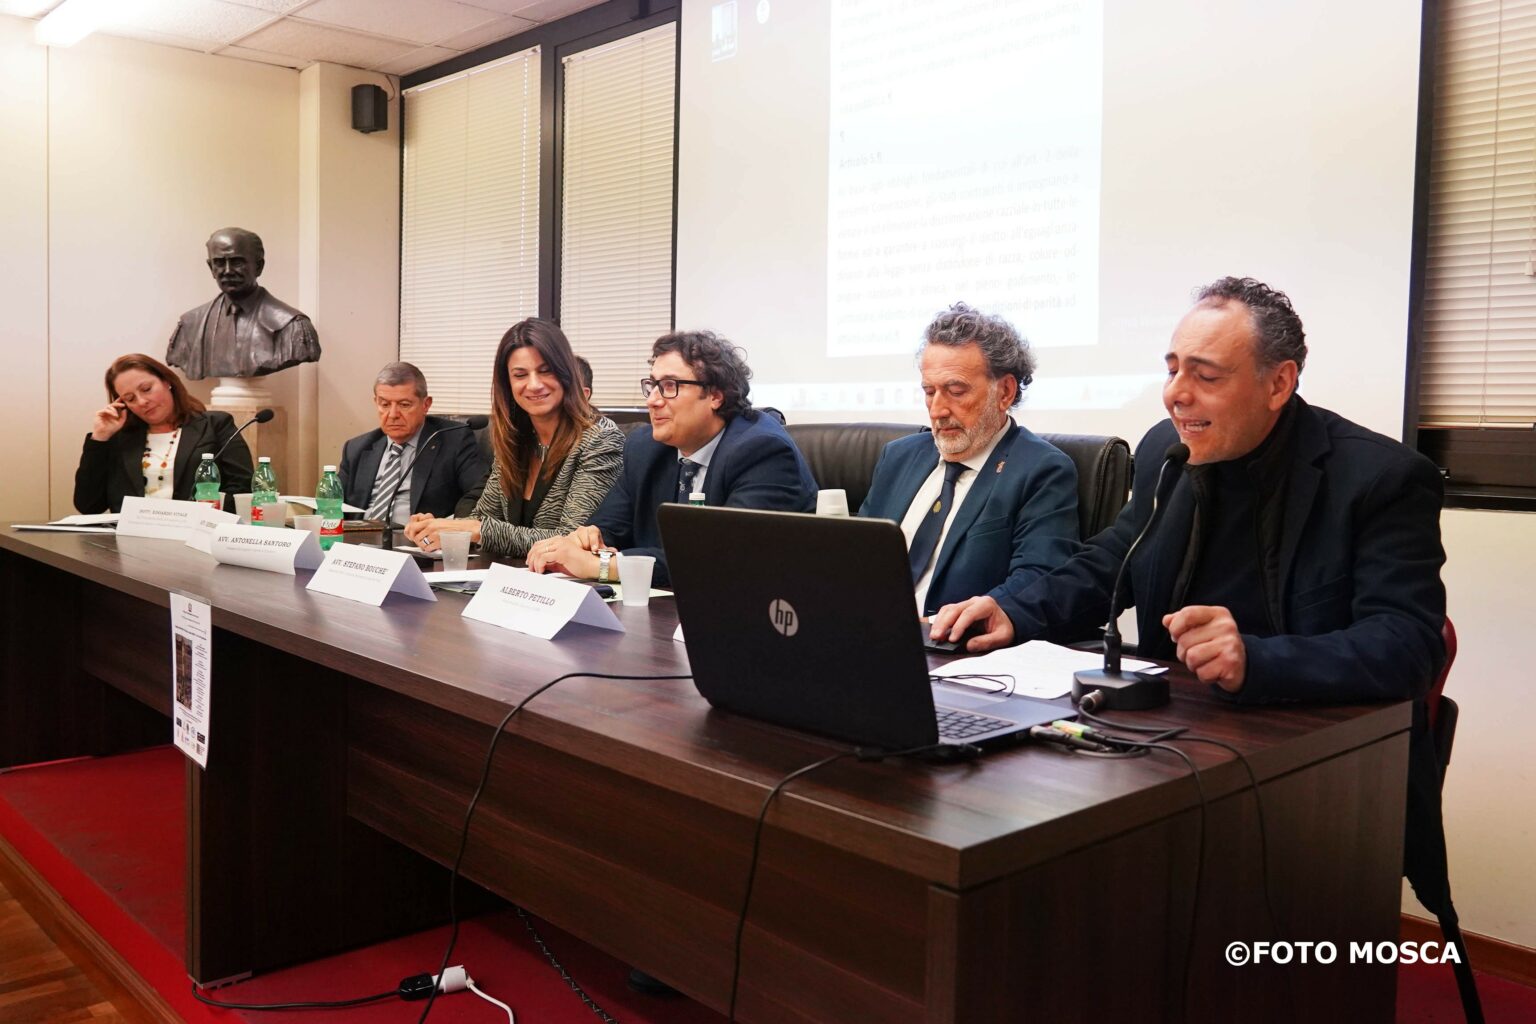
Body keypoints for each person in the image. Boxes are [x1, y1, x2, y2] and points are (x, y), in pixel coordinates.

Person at [929, 277, 1450, 908]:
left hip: (1314, 780)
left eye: (1205, 375)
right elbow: (1112, 560)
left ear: (1279, 383)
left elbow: (1408, 645)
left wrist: (1257, 659)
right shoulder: (1166, 449)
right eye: (1173, 368)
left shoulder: (1380, 479)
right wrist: (1015, 610)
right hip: (1164, 753)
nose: (1176, 393)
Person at [527, 330, 816, 585]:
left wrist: (600, 566)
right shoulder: (644, 448)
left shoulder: (762, 451)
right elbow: (608, 530)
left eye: (669, 386)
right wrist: (585, 540)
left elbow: (722, 558)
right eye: (652, 386)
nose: (652, 400)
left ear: (715, 395)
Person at [859, 302, 1080, 618]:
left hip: (948, 640)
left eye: (956, 391)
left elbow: (1038, 579)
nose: (938, 410)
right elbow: (858, 556)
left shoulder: (1040, 470)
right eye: (929, 392)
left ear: (1004, 392)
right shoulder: (898, 458)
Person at [404, 320, 625, 558]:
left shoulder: (600, 439)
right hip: (510, 575)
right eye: (520, 375)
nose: (534, 384)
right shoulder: (516, 437)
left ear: (566, 373)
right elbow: (483, 518)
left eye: (545, 371)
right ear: (507, 384)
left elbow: (570, 540)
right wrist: (437, 528)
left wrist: (474, 530)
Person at [74, 353, 253, 513]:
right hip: (131, 536)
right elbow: (88, 506)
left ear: (167, 382)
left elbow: (242, 489)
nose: (142, 401)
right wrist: (100, 439)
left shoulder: (215, 425)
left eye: (146, 389)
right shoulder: (120, 438)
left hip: (195, 533)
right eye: (130, 398)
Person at [339, 362, 490, 525]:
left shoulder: (455, 440)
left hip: (416, 537)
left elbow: (482, 499)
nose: (393, 414)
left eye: (404, 405)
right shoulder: (356, 448)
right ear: (376, 402)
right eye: (385, 404)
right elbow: (330, 503)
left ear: (426, 405)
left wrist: (446, 526)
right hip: (358, 536)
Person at [166, 228, 321, 380]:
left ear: (258, 266)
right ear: (211, 267)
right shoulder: (190, 324)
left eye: (237, 262)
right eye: (219, 263)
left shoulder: (291, 325)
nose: (227, 271)